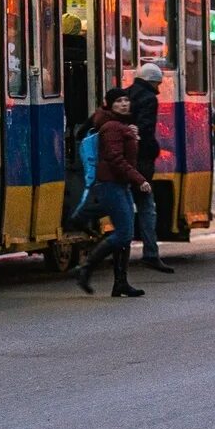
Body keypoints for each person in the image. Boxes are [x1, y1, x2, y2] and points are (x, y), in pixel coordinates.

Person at [72, 88, 149, 298]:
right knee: (124, 233)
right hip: (111, 184)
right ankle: (85, 269)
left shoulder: (120, 126)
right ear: (110, 104)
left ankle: (121, 283)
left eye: (126, 100)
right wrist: (139, 179)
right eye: (119, 101)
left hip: (119, 184)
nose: (124, 104)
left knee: (125, 234)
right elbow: (115, 159)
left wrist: (132, 136)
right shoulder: (112, 127)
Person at [124, 62, 174, 274]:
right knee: (147, 207)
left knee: (123, 205)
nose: (159, 89)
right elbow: (145, 128)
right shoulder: (148, 99)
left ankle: (119, 254)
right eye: (157, 84)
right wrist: (151, 149)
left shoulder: (124, 95)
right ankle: (151, 254)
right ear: (151, 82)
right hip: (141, 161)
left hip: (122, 160)